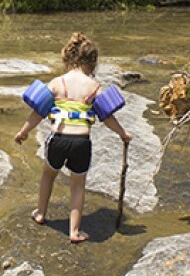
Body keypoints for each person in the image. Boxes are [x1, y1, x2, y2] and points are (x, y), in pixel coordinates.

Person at [14, 32, 132, 243]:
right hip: (81, 143)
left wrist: (24, 131)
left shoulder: (57, 83)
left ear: (68, 58)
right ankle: (74, 231)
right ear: (92, 63)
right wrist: (123, 134)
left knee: (48, 175)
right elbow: (107, 117)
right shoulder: (94, 87)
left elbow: (38, 112)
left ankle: (41, 213)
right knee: (78, 185)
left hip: (58, 139)